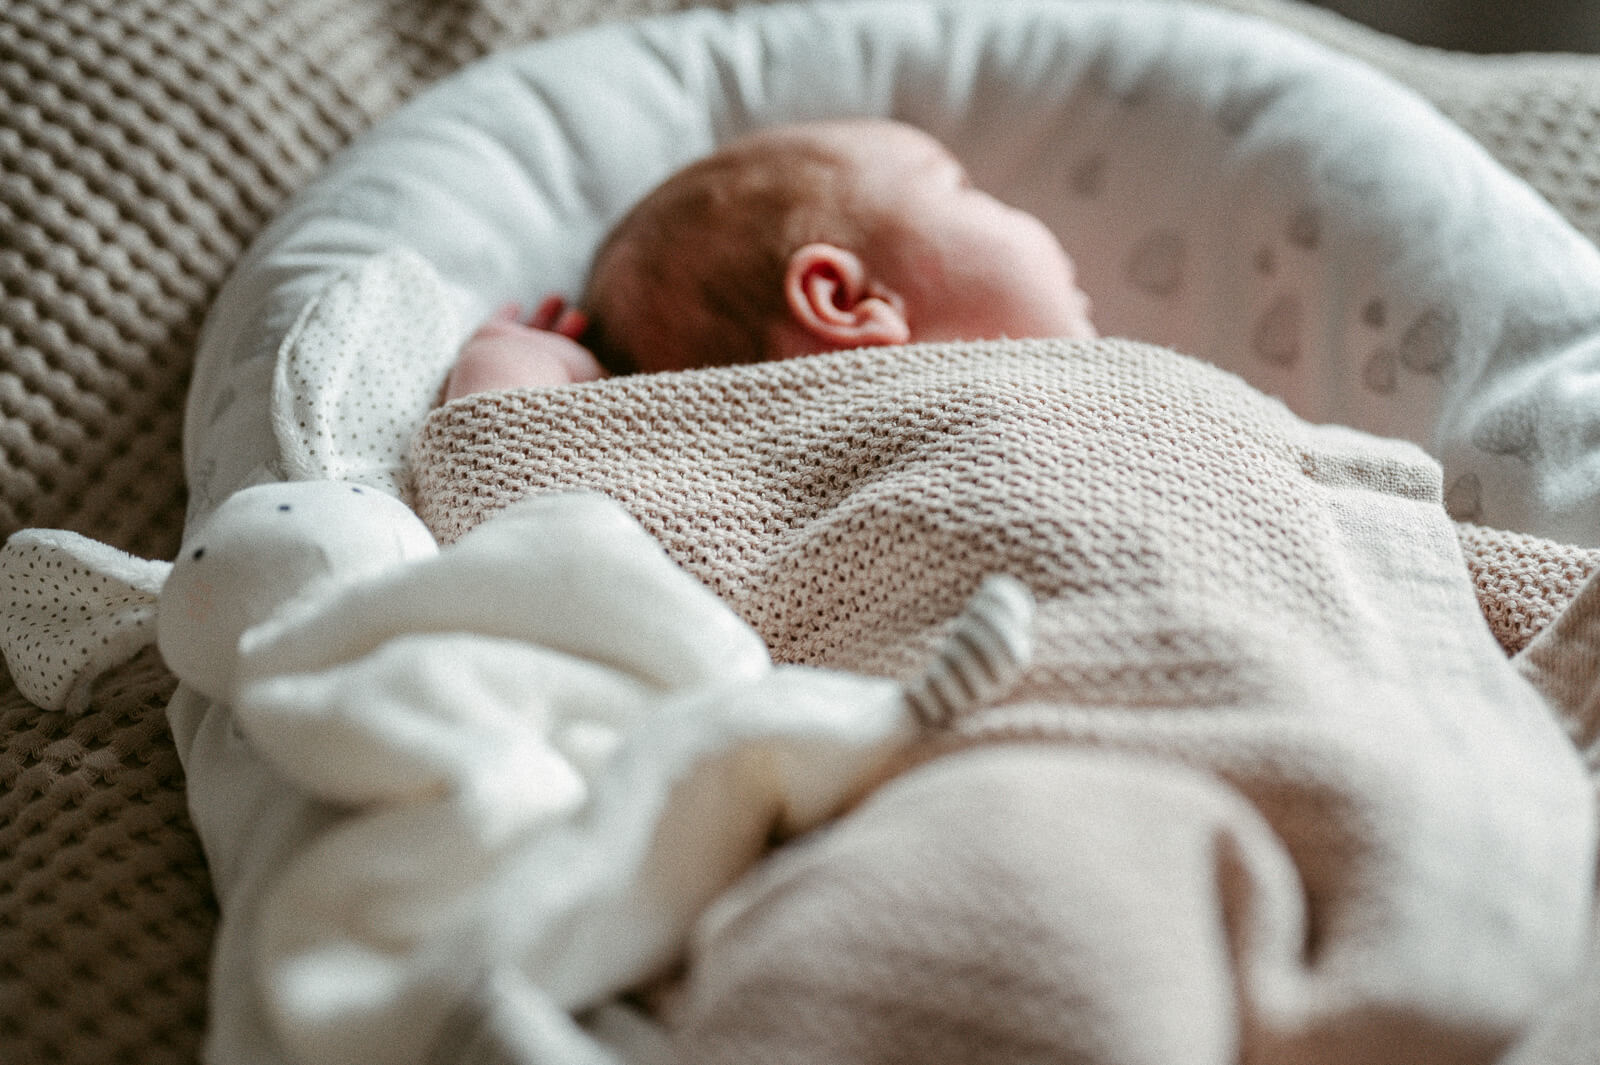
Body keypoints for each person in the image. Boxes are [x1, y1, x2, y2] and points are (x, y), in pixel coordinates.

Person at [441, 118, 1097, 401]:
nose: (1012, 208)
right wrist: (522, 368)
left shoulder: (1116, 396)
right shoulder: (742, 474)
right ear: (843, 300)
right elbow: (508, 499)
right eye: (964, 188)